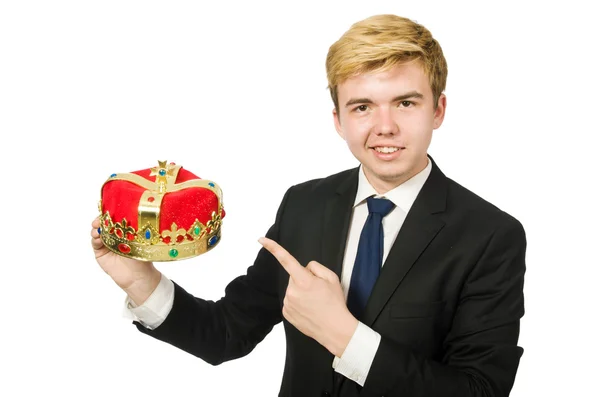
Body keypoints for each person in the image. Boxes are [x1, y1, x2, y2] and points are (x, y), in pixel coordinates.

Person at [91, 14, 526, 397]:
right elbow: (225, 333)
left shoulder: (490, 236)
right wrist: (140, 281)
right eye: (362, 107)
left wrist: (343, 334)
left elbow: (479, 390)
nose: (385, 127)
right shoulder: (304, 205)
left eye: (406, 103)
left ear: (438, 110)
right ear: (338, 120)